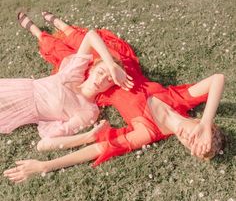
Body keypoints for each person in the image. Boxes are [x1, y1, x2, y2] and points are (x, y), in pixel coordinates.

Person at [3, 13, 225, 183]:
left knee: (62, 55)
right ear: (199, 123)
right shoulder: (180, 99)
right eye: (198, 135)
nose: (189, 138)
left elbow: (99, 148)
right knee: (90, 43)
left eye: (190, 145)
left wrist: (45, 166)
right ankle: (60, 24)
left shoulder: (148, 132)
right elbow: (217, 79)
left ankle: (37, 31)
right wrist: (206, 123)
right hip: (122, 69)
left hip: (104, 87)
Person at [0, 12, 133, 138]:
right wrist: (111, 65)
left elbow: (55, 135)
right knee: (54, 47)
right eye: (100, 72)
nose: (101, 79)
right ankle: (37, 30)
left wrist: (89, 136)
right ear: (92, 70)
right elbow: (90, 36)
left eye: (109, 79)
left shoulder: (89, 111)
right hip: (19, 88)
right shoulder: (74, 74)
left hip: (22, 111)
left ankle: (46, 26)